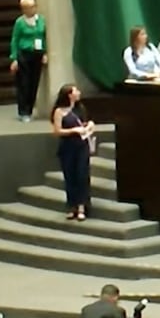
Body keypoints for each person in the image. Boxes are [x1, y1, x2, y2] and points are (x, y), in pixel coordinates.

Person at [51, 84, 95, 221]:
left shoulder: (80, 109)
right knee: (70, 176)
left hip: (81, 146)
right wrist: (73, 131)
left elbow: (85, 123)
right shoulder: (59, 111)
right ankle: (72, 206)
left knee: (82, 175)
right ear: (69, 95)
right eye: (76, 91)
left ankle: (82, 207)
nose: (79, 93)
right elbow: (57, 131)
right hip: (67, 147)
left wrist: (89, 126)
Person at [9, 0, 47, 122]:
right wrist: (14, 58)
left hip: (37, 53)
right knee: (24, 83)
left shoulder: (41, 20)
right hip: (24, 54)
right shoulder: (20, 22)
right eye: (29, 7)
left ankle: (30, 108)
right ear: (23, 9)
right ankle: (23, 111)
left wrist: (45, 53)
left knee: (34, 83)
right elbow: (15, 40)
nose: (32, 9)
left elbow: (44, 37)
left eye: (33, 6)